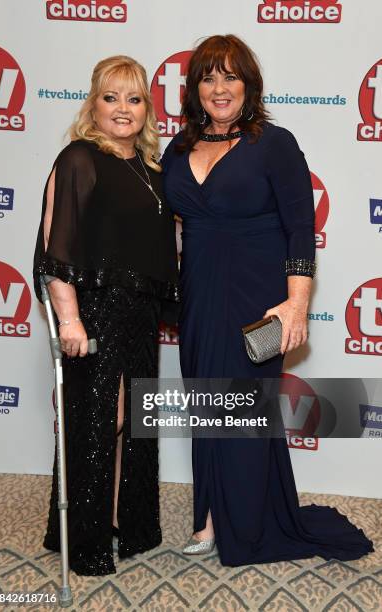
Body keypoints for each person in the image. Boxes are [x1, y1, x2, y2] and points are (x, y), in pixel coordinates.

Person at [162, 35, 373, 565]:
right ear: (195, 89)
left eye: (230, 77)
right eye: (208, 78)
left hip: (261, 302)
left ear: (249, 85)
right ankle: (210, 520)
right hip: (199, 298)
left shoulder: (274, 144)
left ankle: (249, 528)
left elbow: (302, 229)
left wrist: (297, 305)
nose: (219, 88)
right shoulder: (178, 148)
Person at [33, 55, 179, 576]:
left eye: (134, 98)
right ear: (93, 103)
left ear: (147, 109)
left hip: (139, 315)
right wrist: (69, 319)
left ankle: (124, 522)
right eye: (111, 97)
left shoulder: (150, 170)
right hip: (94, 310)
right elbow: (58, 248)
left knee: (130, 421)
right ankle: (85, 538)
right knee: (98, 421)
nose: (122, 109)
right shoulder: (79, 158)